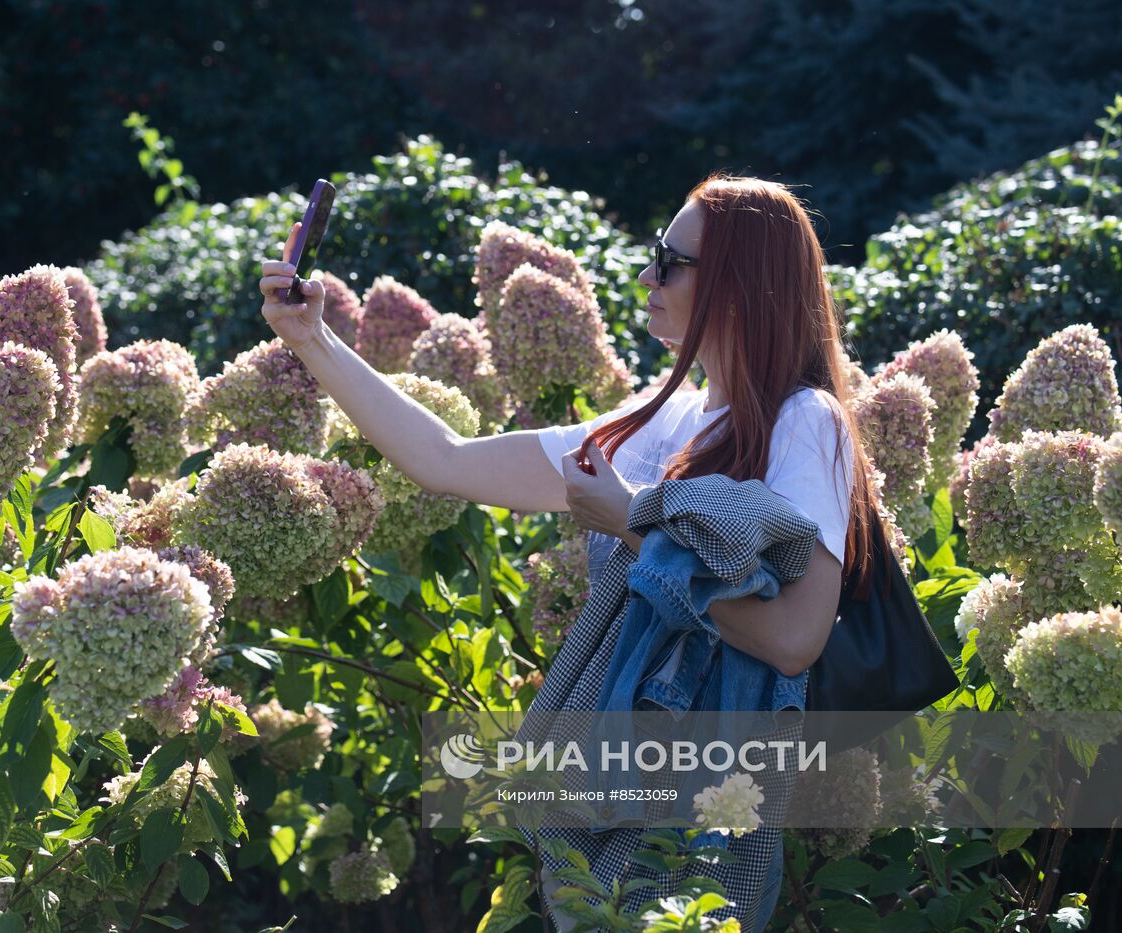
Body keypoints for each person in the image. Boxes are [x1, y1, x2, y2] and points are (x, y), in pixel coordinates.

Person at [258, 172, 884, 930]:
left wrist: (630, 522)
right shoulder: (669, 420)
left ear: (737, 285)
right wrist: (313, 339)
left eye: (669, 260)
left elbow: (793, 638)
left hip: (706, 817)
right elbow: (447, 459)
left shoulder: (804, 422)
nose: (646, 275)